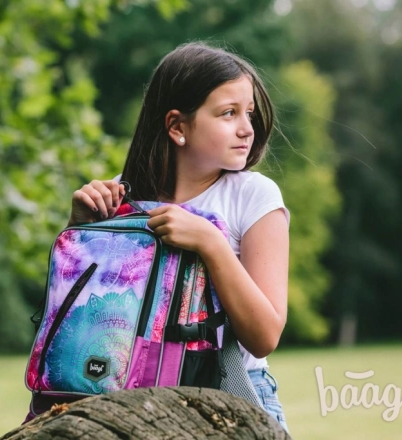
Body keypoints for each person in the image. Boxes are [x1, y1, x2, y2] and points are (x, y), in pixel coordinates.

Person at [66, 42, 290, 432]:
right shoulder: (123, 197)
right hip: (129, 397)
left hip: (232, 397)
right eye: (228, 113)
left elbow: (265, 336)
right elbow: (79, 322)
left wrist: (212, 242)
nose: (246, 128)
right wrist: (82, 232)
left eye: (249, 113)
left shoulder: (254, 196)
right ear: (177, 127)